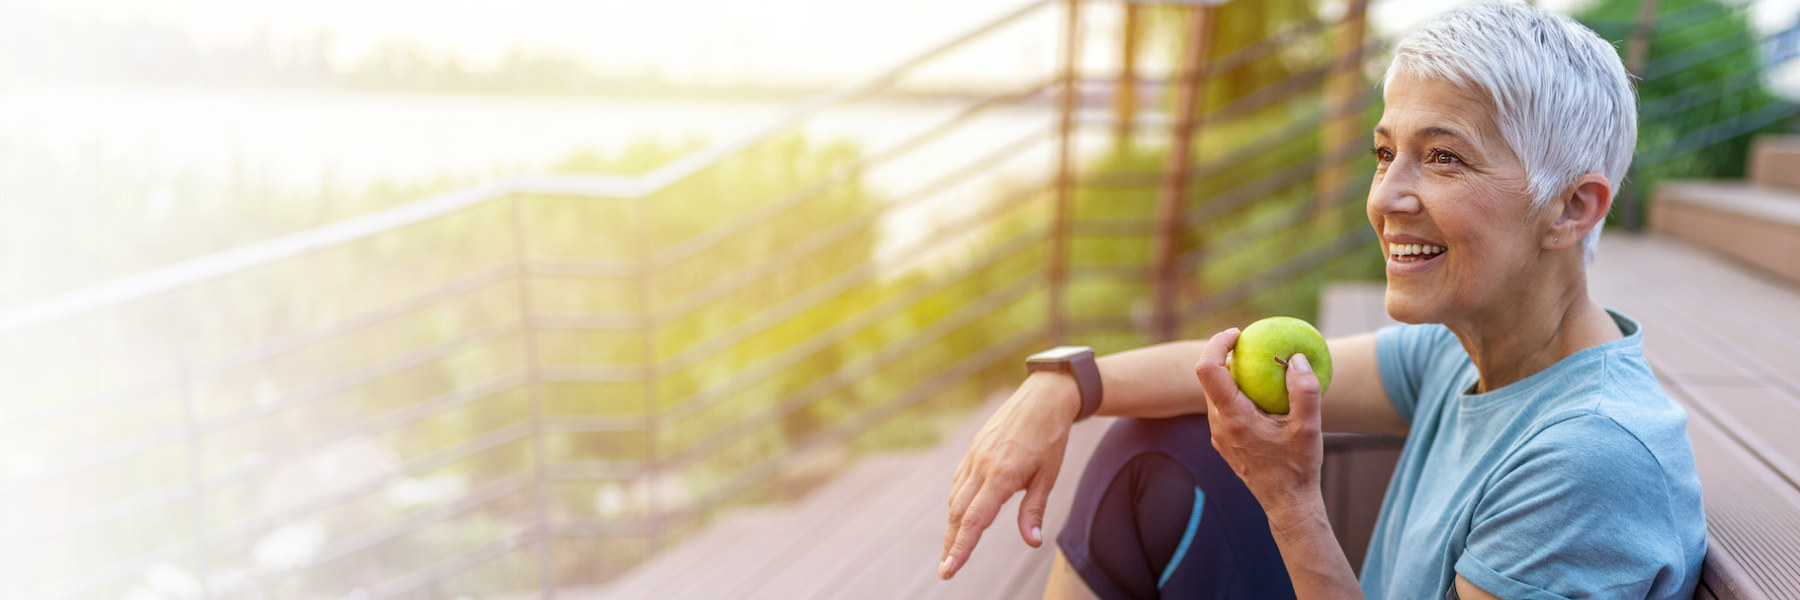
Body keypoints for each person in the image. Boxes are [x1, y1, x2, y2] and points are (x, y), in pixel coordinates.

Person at [935, 3, 1707, 599]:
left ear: (1571, 208)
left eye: (1443, 157)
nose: (1386, 197)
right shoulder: (1470, 351)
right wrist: (1064, 385)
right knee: (1153, 451)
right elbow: (1222, 371)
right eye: (1385, 153)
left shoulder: (1589, 460)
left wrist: (1291, 501)